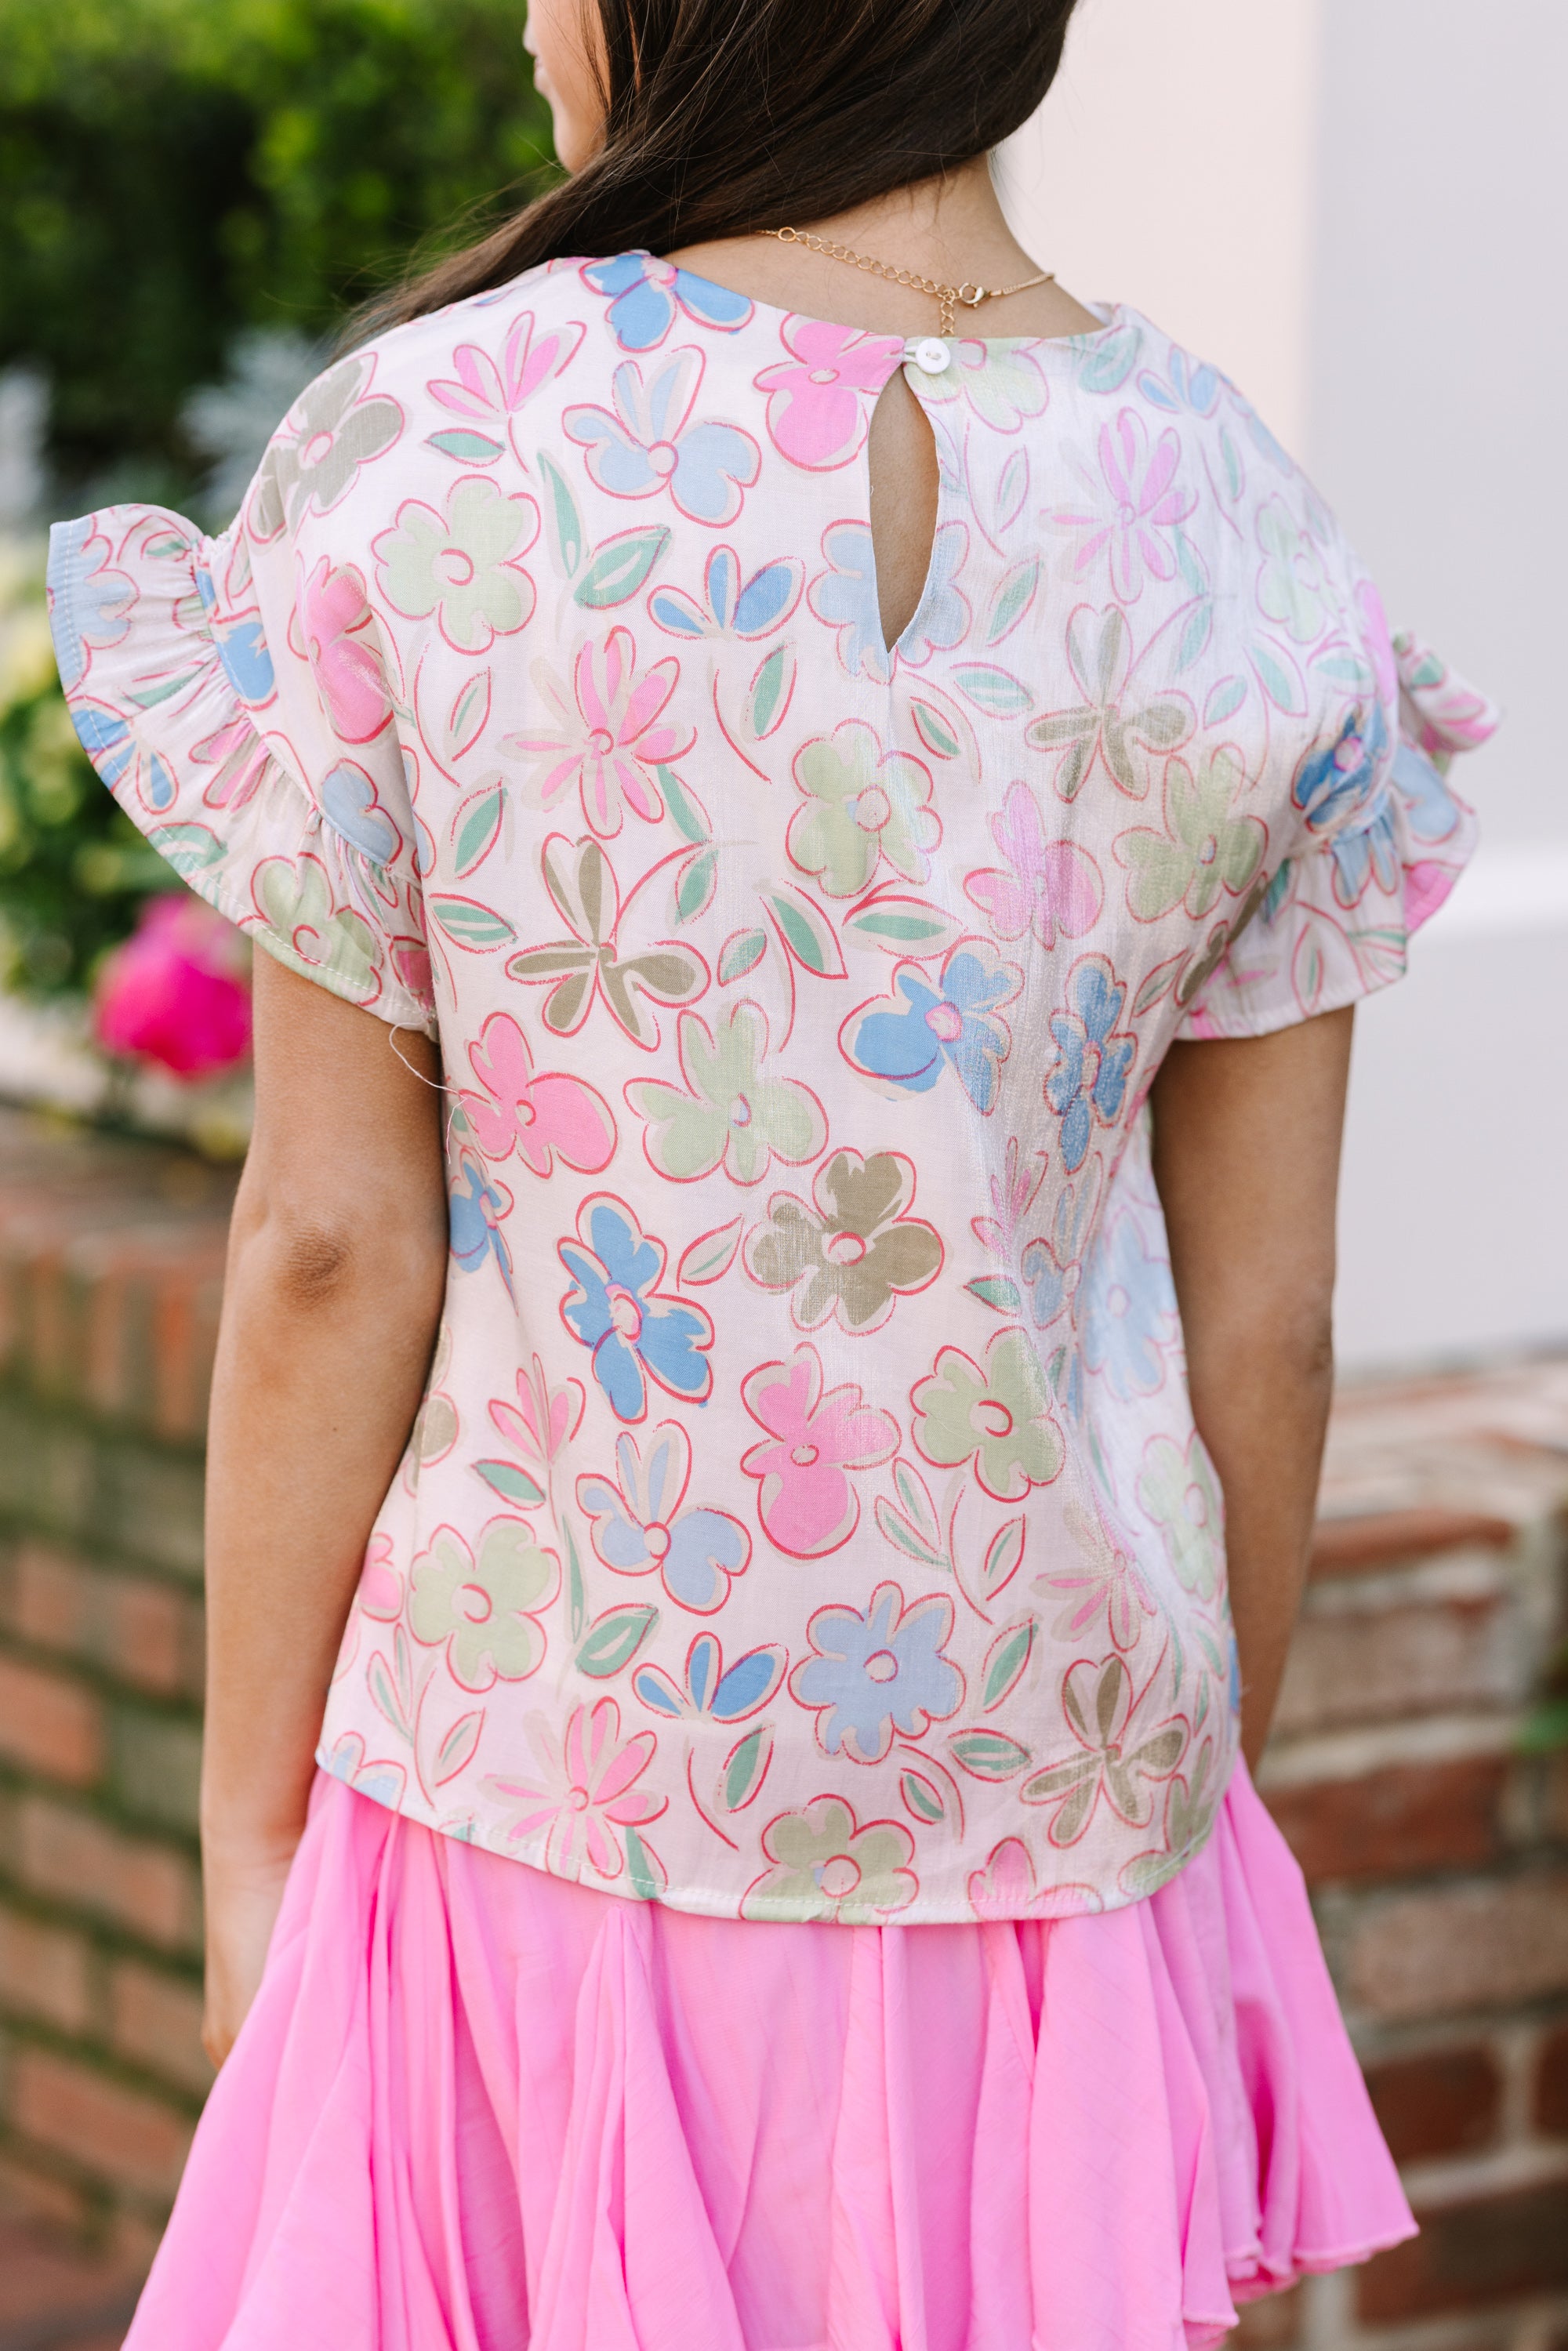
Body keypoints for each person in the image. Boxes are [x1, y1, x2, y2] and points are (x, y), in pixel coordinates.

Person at [48, 0, 1499, 2342]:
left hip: (546, 1780)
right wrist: (1183, 1807)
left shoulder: (434, 447)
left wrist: (243, 1829)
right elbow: (1273, 1319)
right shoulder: (1233, 511)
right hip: (1050, 1819)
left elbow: (330, 1243)